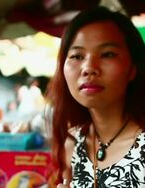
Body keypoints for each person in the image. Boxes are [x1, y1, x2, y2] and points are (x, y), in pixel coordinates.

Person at [46, 6, 145, 188]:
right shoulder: (73, 144)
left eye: (107, 54)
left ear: (132, 69)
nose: (89, 67)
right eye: (77, 56)